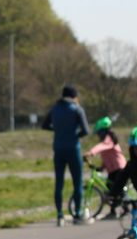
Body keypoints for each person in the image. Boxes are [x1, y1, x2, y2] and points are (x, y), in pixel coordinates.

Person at [41, 84, 92, 226]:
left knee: (59, 182)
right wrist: (76, 135)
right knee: (77, 182)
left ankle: (60, 215)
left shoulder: (55, 109)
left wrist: (57, 130)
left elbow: (44, 125)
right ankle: (77, 213)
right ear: (74, 96)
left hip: (58, 148)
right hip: (73, 148)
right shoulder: (77, 109)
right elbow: (86, 130)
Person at [85, 116, 127, 219]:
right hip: (112, 170)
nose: (99, 135)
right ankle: (113, 211)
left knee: (115, 190)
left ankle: (125, 207)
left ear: (103, 131)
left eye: (99, 133)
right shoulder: (106, 141)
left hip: (119, 168)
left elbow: (102, 147)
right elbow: (107, 157)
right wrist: (102, 167)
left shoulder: (109, 139)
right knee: (109, 190)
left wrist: (91, 153)